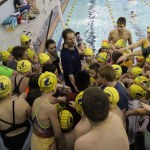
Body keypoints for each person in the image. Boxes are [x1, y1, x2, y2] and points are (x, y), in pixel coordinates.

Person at [31, 72, 65, 150]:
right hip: (46, 145)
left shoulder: (36, 100)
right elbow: (58, 134)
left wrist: (58, 100)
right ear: (54, 88)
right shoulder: (50, 108)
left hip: (34, 140)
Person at [0, 75, 32, 150]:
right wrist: (19, 100)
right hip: (27, 138)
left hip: (7, 142)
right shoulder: (21, 103)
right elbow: (31, 115)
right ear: (9, 91)